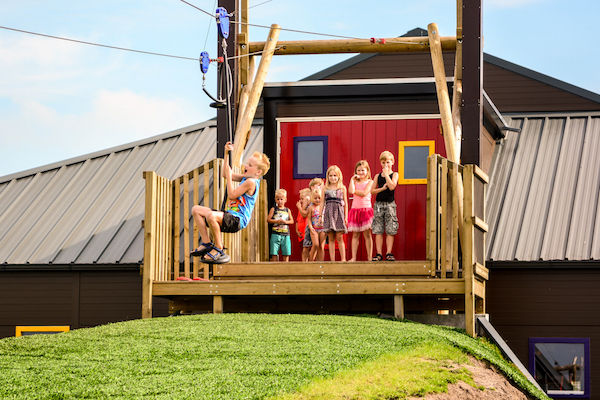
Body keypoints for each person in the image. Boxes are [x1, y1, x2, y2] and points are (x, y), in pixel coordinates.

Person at [190, 141, 270, 264]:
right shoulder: (246, 178)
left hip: (237, 220)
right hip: (229, 215)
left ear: (258, 172)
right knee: (196, 209)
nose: (245, 166)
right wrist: (227, 153)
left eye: (250, 165)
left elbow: (232, 195)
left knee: (211, 216)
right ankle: (206, 243)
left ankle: (219, 248)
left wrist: (228, 177)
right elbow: (225, 173)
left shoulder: (251, 182)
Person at [371, 150, 399, 261]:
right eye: (383, 162)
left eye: (388, 162)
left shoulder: (394, 174)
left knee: (390, 228)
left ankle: (388, 252)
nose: (385, 165)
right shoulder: (377, 176)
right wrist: (382, 188)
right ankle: (379, 253)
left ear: (392, 162)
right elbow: (372, 191)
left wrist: (387, 175)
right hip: (378, 204)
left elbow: (392, 186)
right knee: (378, 229)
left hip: (390, 205)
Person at [347, 160, 374, 262]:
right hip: (355, 210)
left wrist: (355, 191)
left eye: (363, 170)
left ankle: (370, 257)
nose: (361, 172)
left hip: (366, 210)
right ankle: (353, 257)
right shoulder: (354, 182)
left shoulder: (370, 182)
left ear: (367, 171)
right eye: (358, 170)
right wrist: (351, 180)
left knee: (367, 234)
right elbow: (350, 191)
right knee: (355, 235)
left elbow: (364, 193)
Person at [322, 165, 348, 262]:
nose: (333, 178)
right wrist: (321, 216)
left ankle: (343, 259)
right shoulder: (325, 188)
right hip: (329, 214)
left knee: (339, 237)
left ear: (339, 176)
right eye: (331, 175)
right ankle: (332, 260)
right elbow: (322, 203)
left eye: (335, 175)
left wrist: (346, 217)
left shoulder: (342, 188)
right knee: (331, 238)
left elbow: (346, 203)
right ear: (328, 177)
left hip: (339, 214)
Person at [267, 188, 294, 262]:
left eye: (281, 199)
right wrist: (277, 221)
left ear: (285, 199)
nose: (280, 201)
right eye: (278, 199)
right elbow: (268, 219)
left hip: (285, 234)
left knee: (286, 252)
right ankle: (275, 268)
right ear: (275, 200)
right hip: (275, 233)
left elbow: (292, 221)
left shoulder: (287, 210)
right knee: (274, 252)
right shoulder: (273, 209)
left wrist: (285, 222)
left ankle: (286, 268)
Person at [301, 178, 324, 256]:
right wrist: (299, 208)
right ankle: (307, 262)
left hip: (320, 226)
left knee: (319, 246)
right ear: (312, 187)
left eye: (321, 186)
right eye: (319, 185)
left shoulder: (321, 196)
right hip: (310, 225)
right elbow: (304, 214)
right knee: (307, 246)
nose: (320, 187)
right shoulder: (308, 198)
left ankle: (318, 263)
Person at [306, 189, 326, 261]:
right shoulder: (311, 207)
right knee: (315, 244)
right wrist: (311, 228)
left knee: (321, 246)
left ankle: (320, 262)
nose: (317, 200)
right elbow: (309, 219)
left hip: (323, 229)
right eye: (315, 198)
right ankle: (311, 261)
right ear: (312, 198)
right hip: (314, 228)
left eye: (319, 198)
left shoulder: (323, 206)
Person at [295, 188, 312, 262]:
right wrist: (297, 230)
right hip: (301, 232)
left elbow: (304, 215)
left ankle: (308, 262)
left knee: (307, 248)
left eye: (302, 199)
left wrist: (299, 207)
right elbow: (297, 220)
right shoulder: (301, 208)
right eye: (300, 199)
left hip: (307, 231)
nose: (300, 201)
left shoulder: (308, 208)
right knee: (303, 248)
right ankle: (304, 262)